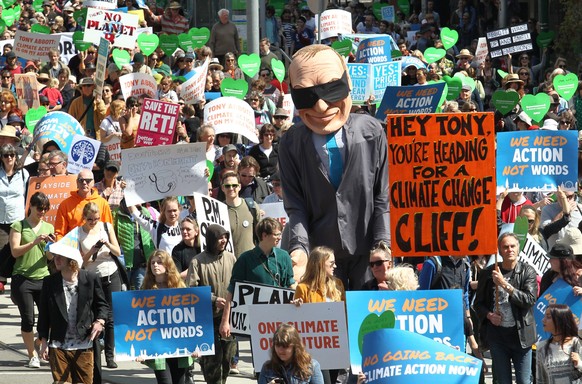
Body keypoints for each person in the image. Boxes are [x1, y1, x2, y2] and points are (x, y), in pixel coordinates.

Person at [279, 44, 389, 286]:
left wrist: (383, 245)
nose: (321, 106)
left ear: (346, 80)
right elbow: (295, 206)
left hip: (366, 253)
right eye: (307, 95)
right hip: (322, 256)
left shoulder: (371, 132)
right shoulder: (290, 143)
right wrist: (299, 250)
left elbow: (382, 196)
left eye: (330, 89)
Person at [37, 241, 109, 384]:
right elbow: (44, 314)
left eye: (61, 257)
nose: (56, 259)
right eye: (55, 256)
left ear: (71, 261)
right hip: (58, 344)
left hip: (84, 344)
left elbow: (102, 305)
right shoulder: (50, 282)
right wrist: (43, 341)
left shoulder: (89, 278)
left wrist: (100, 321)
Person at [474, 232, 537, 384]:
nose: (509, 250)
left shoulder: (527, 271)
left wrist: (504, 284)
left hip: (521, 336)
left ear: (518, 248)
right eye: (505, 247)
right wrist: (489, 315)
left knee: (524, 380)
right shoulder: (488, 273)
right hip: (498, 338)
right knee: (503, 381)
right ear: (500, 251)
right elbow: (478, 304)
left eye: (512, 246)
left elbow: (529, 300)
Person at [220, 218, 295, 338]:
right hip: (256, 322)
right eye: (276, 234)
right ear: (264, 235)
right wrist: (225, 321)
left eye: (280, 234)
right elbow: (232, 291)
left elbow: (291, 283)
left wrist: (297, 298)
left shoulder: (284, 256)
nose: (280, 238)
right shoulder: (245, 259)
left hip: (281, 319)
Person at [185, 224, 236, 384]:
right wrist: (213, 299)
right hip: (208, 319)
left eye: (225, 237)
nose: (224, 240)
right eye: (220, 237)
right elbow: (191, 290)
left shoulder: (231, 258)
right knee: (212, 364)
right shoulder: (197, 261)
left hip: (228, 318)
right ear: (211, 239)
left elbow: (237, 284)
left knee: (227, 360)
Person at [9, 192, 53, 368]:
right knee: (28, 318)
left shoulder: (48, 227)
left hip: (43, 277)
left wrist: (51, 246)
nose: (42, 212)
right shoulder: (19, 225)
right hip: (22, 278)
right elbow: (15, 251)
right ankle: (32, 355)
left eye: (45, 209)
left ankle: (39, 342)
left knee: (48, 318)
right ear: (31, 207)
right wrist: (34, 242)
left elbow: (49, 258)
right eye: (39, 208)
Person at [77, 202, 122, 369]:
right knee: (94, 315)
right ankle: (94, 352)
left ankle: (110, 355)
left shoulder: (106, 226)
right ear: (84, 218)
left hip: (110, 274)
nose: (93, 222)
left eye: (96, 219)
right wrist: (93, 249)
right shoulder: (79, 233)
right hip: (92, 276)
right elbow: (80, 262)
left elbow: (118, 251)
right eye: (90, 219)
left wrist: (107, 244)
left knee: (110, 317)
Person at [141, 249, 195, 384]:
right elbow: (139, 322)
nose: (155, 265)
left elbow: (191, 319)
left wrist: (196, 345)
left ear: (167, 265)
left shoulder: (180, 288)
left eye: (159, 262)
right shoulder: (145, 290)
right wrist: (138, 349)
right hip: (157, 347)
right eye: (152, 263)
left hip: (179, 346)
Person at [293, 246, 345, 384]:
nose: (335, 266)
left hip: (334, 345)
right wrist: (296, 306)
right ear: (320, 264)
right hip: (314, 348)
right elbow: (297, 320)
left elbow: (344, 314)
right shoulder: (303, 288)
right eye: (331, 263)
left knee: (333, 380)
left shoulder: (338, 285)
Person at [0, 144, 29, 293]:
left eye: (12, 155)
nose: (9, 158)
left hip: (17, 218)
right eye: (6, 155)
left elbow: (29, 194)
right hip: (1, 218)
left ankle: (17, 282)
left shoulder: (23, 174)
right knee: (2, 251)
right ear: (2, 158)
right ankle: (2, 280)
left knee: (16, 251)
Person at [54, 169, 113, 239]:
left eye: (88, 181)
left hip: (97, 247)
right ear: (77, 182)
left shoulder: (103, 203)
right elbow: (59, 233)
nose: (84, 183)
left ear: (93, 182)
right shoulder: (65, 205)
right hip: (73, 247)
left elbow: (108, 230)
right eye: (81, 180)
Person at [258, 323, 324, 384]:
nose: (280, 350)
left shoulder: (312, 366)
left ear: (295, 347)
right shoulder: (267, 367)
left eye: (285, 346)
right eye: (277, 345)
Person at [536, 304, 582, 383]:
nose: (543, 320)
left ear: (560, 320)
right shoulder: (541, 347)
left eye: (548, 317)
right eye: (544, 316)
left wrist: (580, 364)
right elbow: (540, 380)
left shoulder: (576, 343)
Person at [221, 172, 262, 258]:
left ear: (239, 187)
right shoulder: (219, 210)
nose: (231, 188)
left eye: (234, 185)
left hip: (251, 261)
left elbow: (262, 234)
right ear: (222, 188)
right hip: (228, 263)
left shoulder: (252, 206)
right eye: (227, 186)